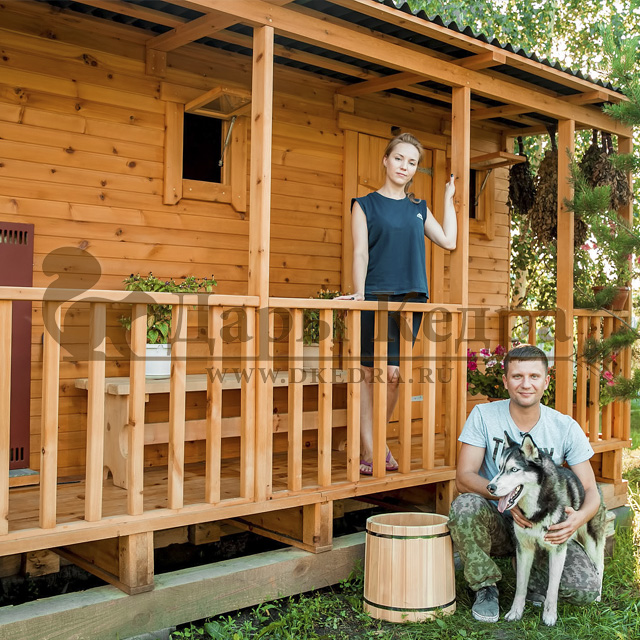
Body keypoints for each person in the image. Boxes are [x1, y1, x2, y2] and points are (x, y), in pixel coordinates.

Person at [449, 344, 603, 623]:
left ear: (546, 381)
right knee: (465, 505)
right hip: (499, 519)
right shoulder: (483, 415)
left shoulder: (565, 427)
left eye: (534, 376)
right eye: (517, 376)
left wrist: (577, 520)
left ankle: (532, 577)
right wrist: (506, 500)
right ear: (505, 381)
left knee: (584, 591)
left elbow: (591, 489)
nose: (526, 384)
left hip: (545, 527)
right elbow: (464, 477)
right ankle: (485, 587)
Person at [336, 132, 457, 475]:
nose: (405, 166)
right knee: (367, 374)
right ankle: (372, 450)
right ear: (386, 161)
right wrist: (359, 292)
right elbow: (360, 253)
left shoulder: (418, 209)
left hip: (410, 300)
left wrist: (448, 198)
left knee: (392, 376)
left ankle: (374, 444)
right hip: (375, 297)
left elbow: (448, 240)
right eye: (399, 158)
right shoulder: (364, 205)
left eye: (412, 162)